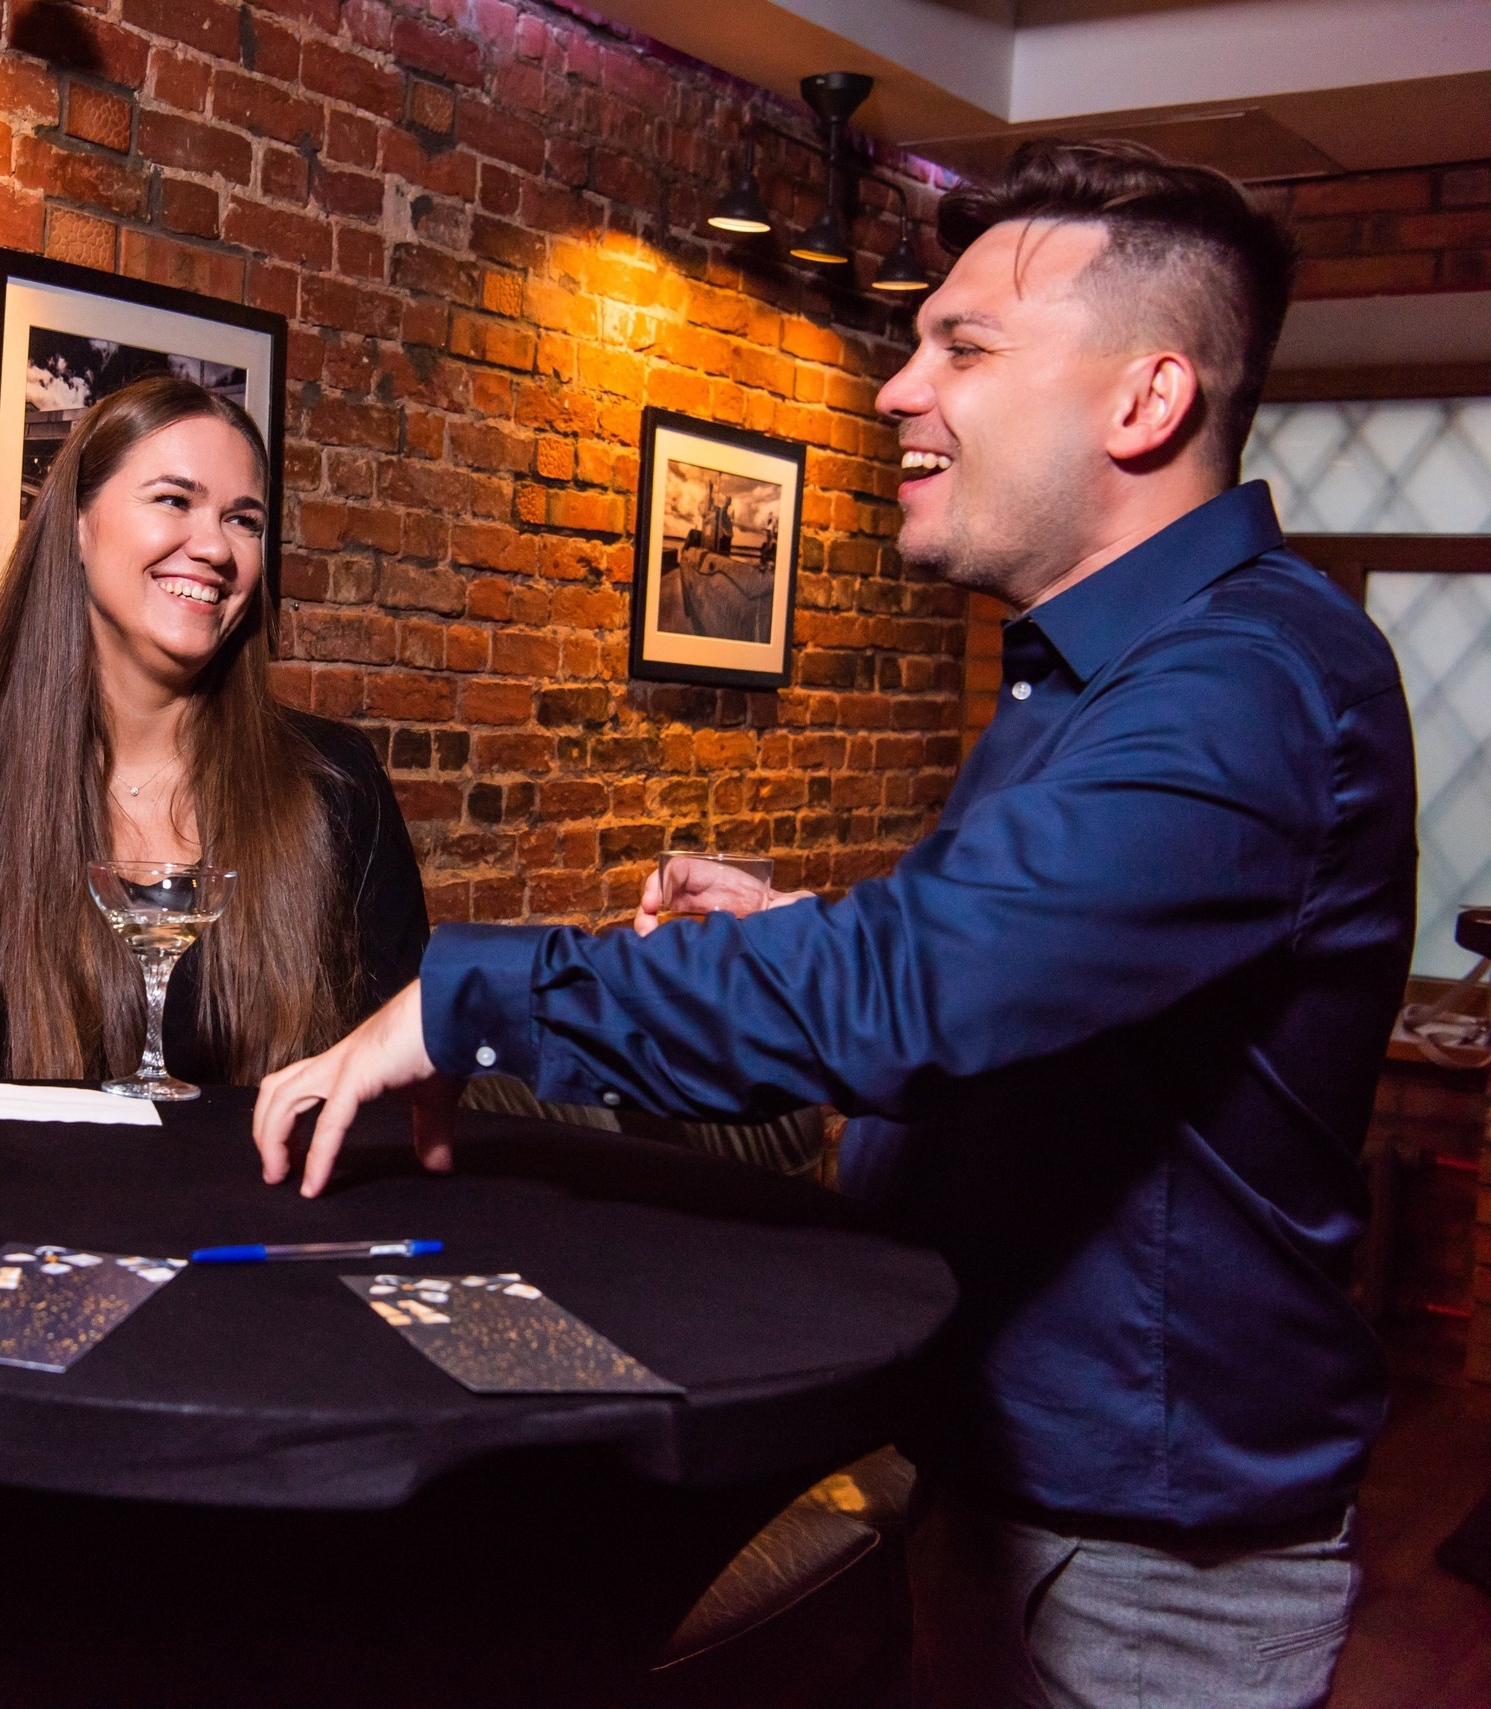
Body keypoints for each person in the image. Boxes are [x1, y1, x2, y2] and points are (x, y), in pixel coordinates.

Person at [251, 140, 1416, 1709]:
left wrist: (468, 997)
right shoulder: (1104, 670)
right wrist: (811, 918)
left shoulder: (1241, 686)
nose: (895, 390)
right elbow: (1032, 970)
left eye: (965, 347)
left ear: (1145, 403)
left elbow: (912, 995)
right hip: (1021, 1494)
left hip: (1148, 1576)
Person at [0, 373, 427, 1086]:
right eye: (174, 500)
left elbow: (399, 1073)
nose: (216, 549)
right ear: (77, 523)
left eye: (243, 519)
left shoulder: (333, 785)